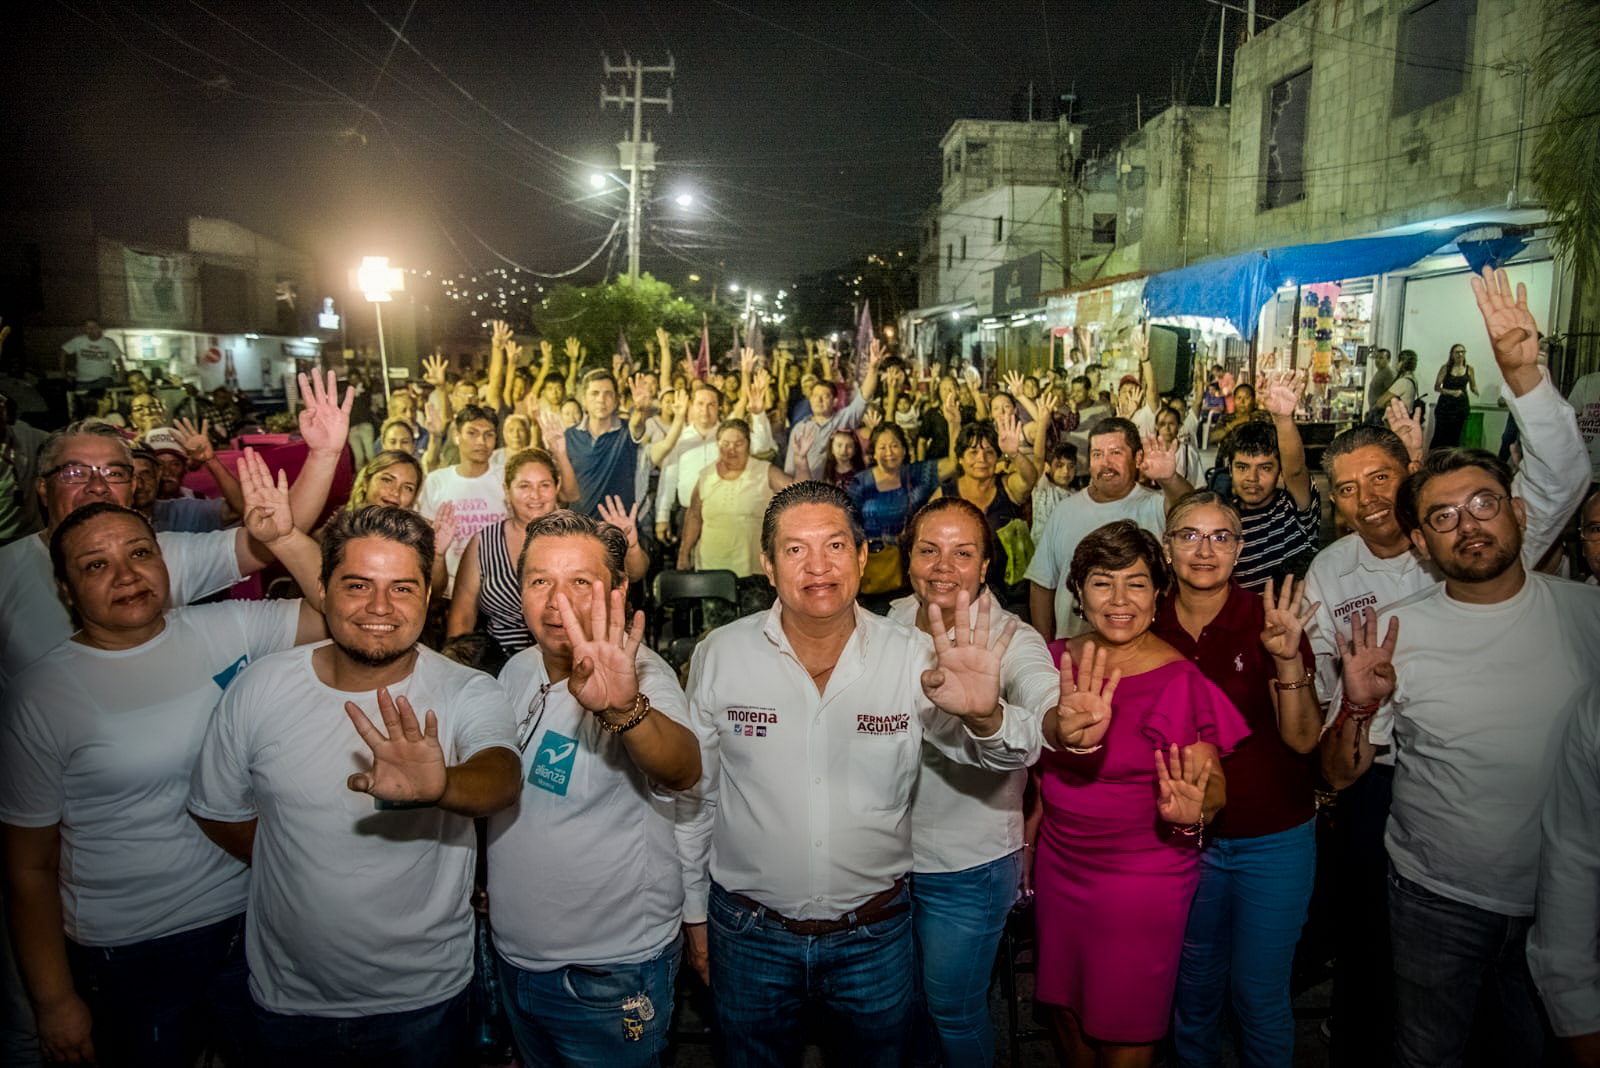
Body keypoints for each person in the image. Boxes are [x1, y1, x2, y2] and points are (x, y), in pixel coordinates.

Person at [1305, 266, 1590, 1066]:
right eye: (1443, 517)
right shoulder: (1392, 621)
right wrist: (1352, 708)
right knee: (1425, 1041)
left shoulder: (1574, 609)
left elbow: (1564, 473)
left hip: (1560, 891)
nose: (1468, 527)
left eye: (1482, 506)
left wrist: (1525, 376)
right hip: (1430, 879)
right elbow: (1341, 744)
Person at [679, 481, 1039, 1066]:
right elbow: (698, 796)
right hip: (749, 934)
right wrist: (695, 912)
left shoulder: (912, 655)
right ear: (767, 565)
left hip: (874, 936)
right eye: (795, 550)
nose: (817, 566)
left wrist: (986, 715)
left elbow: (999, 755)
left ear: (864, 557)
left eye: (835, 546)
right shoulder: (720, 654)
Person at [0, 454, 325, 1068]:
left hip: (255, 916)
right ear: (66, 590)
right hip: (131, 948)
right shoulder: (41, 694)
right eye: (96, 565)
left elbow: (346, 616)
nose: (125, 575)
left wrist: (284, 538)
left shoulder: (224, 627)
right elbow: (29, 868)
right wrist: (53, 999)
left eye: (140, 554)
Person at [187, 506, 521, 1065]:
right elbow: (218, 810)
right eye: (358, 584)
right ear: (321, 587)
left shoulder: (467, 690)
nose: (380, 608)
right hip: (287, 1001)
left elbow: (500, 777)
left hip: (426, 1000)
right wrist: (295, 860)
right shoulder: (260, 687)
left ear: (429, 598)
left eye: (403, 588)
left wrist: (441, 785)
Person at [489, 511, 712, 1065]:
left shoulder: (641, 680)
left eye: (580, 583)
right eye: (541, 580)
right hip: (517, 961)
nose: (556, 601)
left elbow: (682, 769)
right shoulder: (515, 670)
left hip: (607, 975)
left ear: (617, 591)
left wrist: (625, 711)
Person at [1035, 520, 1247, 1067]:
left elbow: (1212, 781)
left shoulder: (1179, 679)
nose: (1120, 599)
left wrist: (1199, 806)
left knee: (1127, 1017)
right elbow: (1028, 772)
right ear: (1078, 594)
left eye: (1136, 582)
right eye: (1103, 582)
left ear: (1159, 593)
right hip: (1060, 865)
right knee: (1064, 1003)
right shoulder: (1047, 660)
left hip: (1143, 874)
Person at [0, 372, 350, 689]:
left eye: (114, 472)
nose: (97, 486)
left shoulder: (164, 555)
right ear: (43, 488)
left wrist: (323, 454)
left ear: (133, 485)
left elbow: (272, 537)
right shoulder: (7, 572)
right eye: (75, 473)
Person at [1153, 493, 1322, 1068]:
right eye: (1189, 536)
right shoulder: (1144, 623)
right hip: (1182, 843)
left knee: (1259, 994)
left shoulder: (1270, 620)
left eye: (1221, 537)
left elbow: (1303, 741)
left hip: (1273, 839)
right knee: (1192, 993)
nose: (1205, 550)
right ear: (1166, 548)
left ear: (1240, 548)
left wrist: (1288, 660)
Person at [888, 497, 1058, 1067]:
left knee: (954, 1013)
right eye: (929, 550)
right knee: (898, 1011)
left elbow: (1037, 721)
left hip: (966, 866)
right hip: (879, 867)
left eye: (963, 553)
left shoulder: (1011, 638)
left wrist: (989, 716)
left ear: (987, 565)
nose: (943, 566)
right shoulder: (880, 625)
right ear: (907, 557)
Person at [1027, 417, 1191, 642]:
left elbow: (1191, 512)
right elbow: (1042, 585)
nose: (1105, 463)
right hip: (1074, 654)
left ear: (1137, 458)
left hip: (1143, 655)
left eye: (1115, 452)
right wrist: (1044, 649)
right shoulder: (1065, 510)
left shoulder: (1156, 504)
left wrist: (1169, 479)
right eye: (1097, 454)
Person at [1221, 370, 1320, 592]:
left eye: (1265, 468)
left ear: (1279, 471)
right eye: (1242, 467)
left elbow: (1295, 471)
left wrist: (1283, 420)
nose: (1252, 478)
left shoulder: (1294, 508)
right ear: (1230, 469)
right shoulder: (1224, 517)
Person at [934, 415, 1040, 611]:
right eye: (973, 452)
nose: (981, 459)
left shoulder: (1008, 486)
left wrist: (1015, 454)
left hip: (1011, 596)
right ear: (960, 459)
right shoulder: (945, 494)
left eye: (989, 452)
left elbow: (1030, 479)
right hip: (960, 594)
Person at [677, 418, 792, 582]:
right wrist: (683, 554)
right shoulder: (705, 476)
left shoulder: (765, 472)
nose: (731, 450)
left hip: (754, 572)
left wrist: (801, 461)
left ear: (748, 444)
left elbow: (798, 495)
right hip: (712, 570)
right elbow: (694, 516)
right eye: (725, 443)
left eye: (738, 444)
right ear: (717, 444)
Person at [415, 404, 506, 594]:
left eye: (488, 434)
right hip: (450, 590)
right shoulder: (437, 481)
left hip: (501, 590)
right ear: (457, 437)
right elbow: (426, 542)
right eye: (472, 433)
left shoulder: (507, 478)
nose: (481, 441)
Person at [549, 370, 647, 518]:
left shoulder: (627, 431)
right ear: (584, 399)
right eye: (595, 393)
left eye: (608, 394)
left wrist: (640, 408)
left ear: (616, 400)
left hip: (617, 529)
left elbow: (638, 425)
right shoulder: (569, 436)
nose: (601, 399)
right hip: (579, 528)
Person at [782, 347, 881, 477]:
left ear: (834, 402)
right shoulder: (799, 429)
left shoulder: (844, 420)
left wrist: (873, 368)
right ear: (810, 400)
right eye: (815, 396)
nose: (819, 400)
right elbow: (789, 469)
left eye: (825, 396)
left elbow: (864, 397)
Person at [1430, 343, 1478, 449]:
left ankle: (1451, 462)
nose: (1460, 354)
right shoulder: (1446, 368)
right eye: (1457, 352)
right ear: (1452, 354)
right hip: (1445, 406)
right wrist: (1452, 392)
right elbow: (1437, 387)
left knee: (1455, 437)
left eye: (1462, 352)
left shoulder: (1469, 369)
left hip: (1460, 407)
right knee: (1440, 436)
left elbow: (1473, 386)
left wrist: (1476, 391)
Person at [58, 319, 124, 391]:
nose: (91, 330)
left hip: (103, 381)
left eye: (94, 327)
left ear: (99, 328)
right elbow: (63, 352)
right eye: (88, 328)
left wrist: (120, 380)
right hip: (82, 382)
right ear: (85, 329)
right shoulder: (78, 341)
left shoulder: (109, 343)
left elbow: (120, 362)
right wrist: (63, 373)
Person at [1030, 441, 1078, 538]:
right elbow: (1038, 457)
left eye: (1071, 466)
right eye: (1059, 465)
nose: (1066, 471)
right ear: (1047, 467)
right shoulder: (1043, 487)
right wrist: (1042, 425)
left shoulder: (1077, 496)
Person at [1366, 348, 1395, 417]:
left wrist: (1378, 406)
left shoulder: (1388, 373)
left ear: (1388, 360)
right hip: (1374, 411)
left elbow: (1391, 394)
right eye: (1376, 357)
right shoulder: (1380, 371)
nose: (1377, 360)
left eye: (1381, 358)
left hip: (1381, 412)